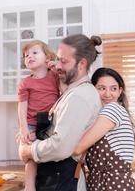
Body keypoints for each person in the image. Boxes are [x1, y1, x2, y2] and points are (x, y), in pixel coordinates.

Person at [19, 34, 102, 190]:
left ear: (81, 64)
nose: (57, 66)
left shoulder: (79, 97)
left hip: (63, 179)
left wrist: (27, 150)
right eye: (57, 59)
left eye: (63, 61)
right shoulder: (70, 92)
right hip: (55, 178)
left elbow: (60, 147)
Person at [74, 67, 135, 191]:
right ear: (93, 90)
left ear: (120, 91)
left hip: (113, 185)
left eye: (113, 89)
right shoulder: (101, 115)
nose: (108, 94)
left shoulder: (113, 109)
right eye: (101, 88)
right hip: (100, 184)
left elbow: (77, 148)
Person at [17, 40, 60, 191]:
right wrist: (23, 129)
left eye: (35, 53)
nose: (29, 56)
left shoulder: (54, 76)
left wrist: (54, 67)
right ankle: (29, 187)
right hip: (32, 123)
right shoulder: (25, 83)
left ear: (47, 57)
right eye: (26, 55)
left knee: (49, 153)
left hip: (51, 123)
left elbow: (66, 90)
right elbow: (22, 107)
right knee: (30, 157)